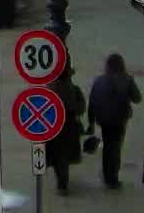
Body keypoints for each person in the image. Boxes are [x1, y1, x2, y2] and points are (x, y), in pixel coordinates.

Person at [90, 51, 144, 190]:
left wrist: (91, 122)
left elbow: (92, 102)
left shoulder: (99, 80)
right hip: (119, 119)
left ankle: (107, 175)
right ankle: (112, 178)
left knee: (108, 145)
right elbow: (137, 98)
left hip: (103, 119)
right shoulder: (127, 79)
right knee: (115, 147)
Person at [46, 66, 88, 194]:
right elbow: (81, 108)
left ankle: (61, 182)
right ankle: (63, 183)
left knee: (57, 156)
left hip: (53, 127)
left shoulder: (49, 90)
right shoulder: (74, 89)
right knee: (64, 157)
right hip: (69, 127)